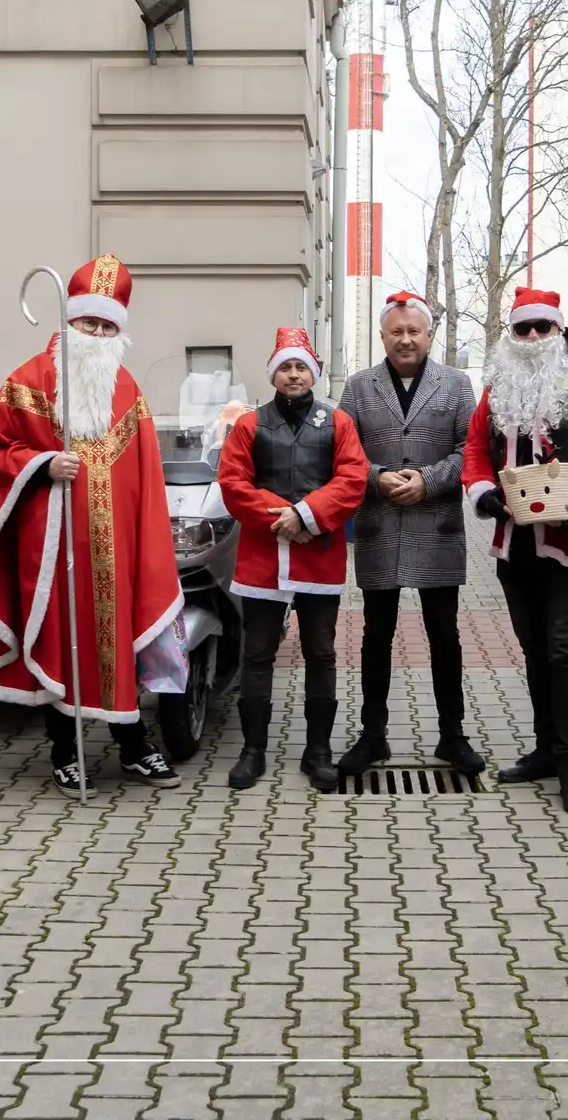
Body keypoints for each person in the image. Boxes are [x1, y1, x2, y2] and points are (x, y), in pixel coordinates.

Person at [0, 254, 187, 797]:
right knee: (60, 641)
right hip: (52, 550)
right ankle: (64, 753)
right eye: (90, 323)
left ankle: (133, 747)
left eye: (108, 326)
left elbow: (145, 475)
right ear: (70, 322)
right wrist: (41, 464)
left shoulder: (128, 390)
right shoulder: (28, 382)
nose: (98, 333)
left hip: (116, 552)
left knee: (118, 644)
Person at [462, 286, 568, 816]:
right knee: (536, 650)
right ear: (510, 336)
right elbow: (474, 450)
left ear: (559, 331)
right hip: (516, 544)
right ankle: (545, 749)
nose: (533, 337)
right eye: (523, 328)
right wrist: (483, 492)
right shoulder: (498, 387)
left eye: (543, 327)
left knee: (566, 650)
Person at [335, 291, 482, 778]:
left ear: (429, 335)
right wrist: (376, 476)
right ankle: (372, 736)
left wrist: (431, 479)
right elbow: (344, 452)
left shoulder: (457, 385)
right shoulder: (358, 388)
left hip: (436, 524)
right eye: (396, 331)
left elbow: (472, 450)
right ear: (382, 335)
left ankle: (452, 735)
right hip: (379, 523)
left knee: (446, 636)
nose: (405, 339)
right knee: (376, 636)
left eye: (414, 331)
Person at [218, 328, 369, 791]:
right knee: (258, 652)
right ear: (273, 374)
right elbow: (232, 482)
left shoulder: (339, 423)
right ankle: (253, 751)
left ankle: (318, 752)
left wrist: (305, 515)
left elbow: (353, 478)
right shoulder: (249, 425)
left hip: (318, 554)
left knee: (321, 653)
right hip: (263, 556)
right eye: (285, 366)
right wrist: (280, 518)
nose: (294, 374)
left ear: (315, 373)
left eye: (301, 366)